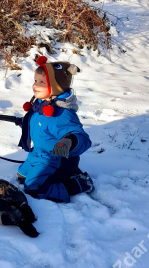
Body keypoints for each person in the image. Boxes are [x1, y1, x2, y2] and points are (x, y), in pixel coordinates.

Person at [16, 56, 94, 203]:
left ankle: (77, 184)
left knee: (33, 189)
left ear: (56, 87)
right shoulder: (41, 104)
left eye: (42, 82)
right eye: (35, 80)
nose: (35, 85)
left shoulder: (62, 114)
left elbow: (82, 138)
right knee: (21, 177)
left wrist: (68, 141)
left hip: (56, 160)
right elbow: (41, 124)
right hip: (38, 154)